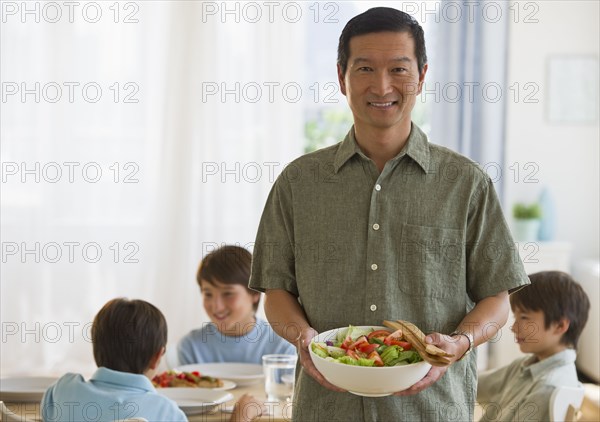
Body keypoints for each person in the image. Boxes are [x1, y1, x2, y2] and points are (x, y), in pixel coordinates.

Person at [249, 7, 530, 421]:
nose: (382, 86)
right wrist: (303, 338)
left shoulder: (465, 183)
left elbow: (497, 300)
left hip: (431, 410)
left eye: (399, 68)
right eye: (364, 68)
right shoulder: (298, 183)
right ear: (342, 76)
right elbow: (275, 292)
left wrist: (461, 342)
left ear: (422, 74)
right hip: (327, 408)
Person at [41, 298, 266, 422]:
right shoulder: (166, 412)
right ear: (158, 356)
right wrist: (241, 418)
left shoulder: (62, 390)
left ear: (95, 347)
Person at [477, 271, 590, 421]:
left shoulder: (547, 388)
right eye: (515, 317)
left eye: (524, 317)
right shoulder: (524, 366)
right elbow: (475, 386)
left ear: (560, 325)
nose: (514, 327)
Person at [178, 245, 295, 365]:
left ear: (255, 293)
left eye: (228, 293)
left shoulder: (282, 348)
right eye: (208, 294)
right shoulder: (190, 347)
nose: (217, 306)